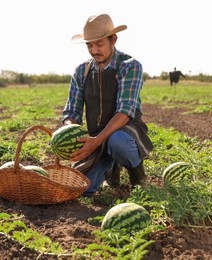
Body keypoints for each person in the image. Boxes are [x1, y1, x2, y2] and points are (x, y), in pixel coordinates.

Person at [61, 14, 153, 196]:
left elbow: (125, 111)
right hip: (96, 139)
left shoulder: (130, 66)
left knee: (117, 141)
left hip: (125, 133)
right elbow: (72, 111)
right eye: (89, 45)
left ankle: (138, 177)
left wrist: (97, 141)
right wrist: (70, 132)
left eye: (99, 44)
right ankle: (111, 171)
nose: (94, 50)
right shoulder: (82, 71)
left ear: (114, 39)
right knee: (83, 189)